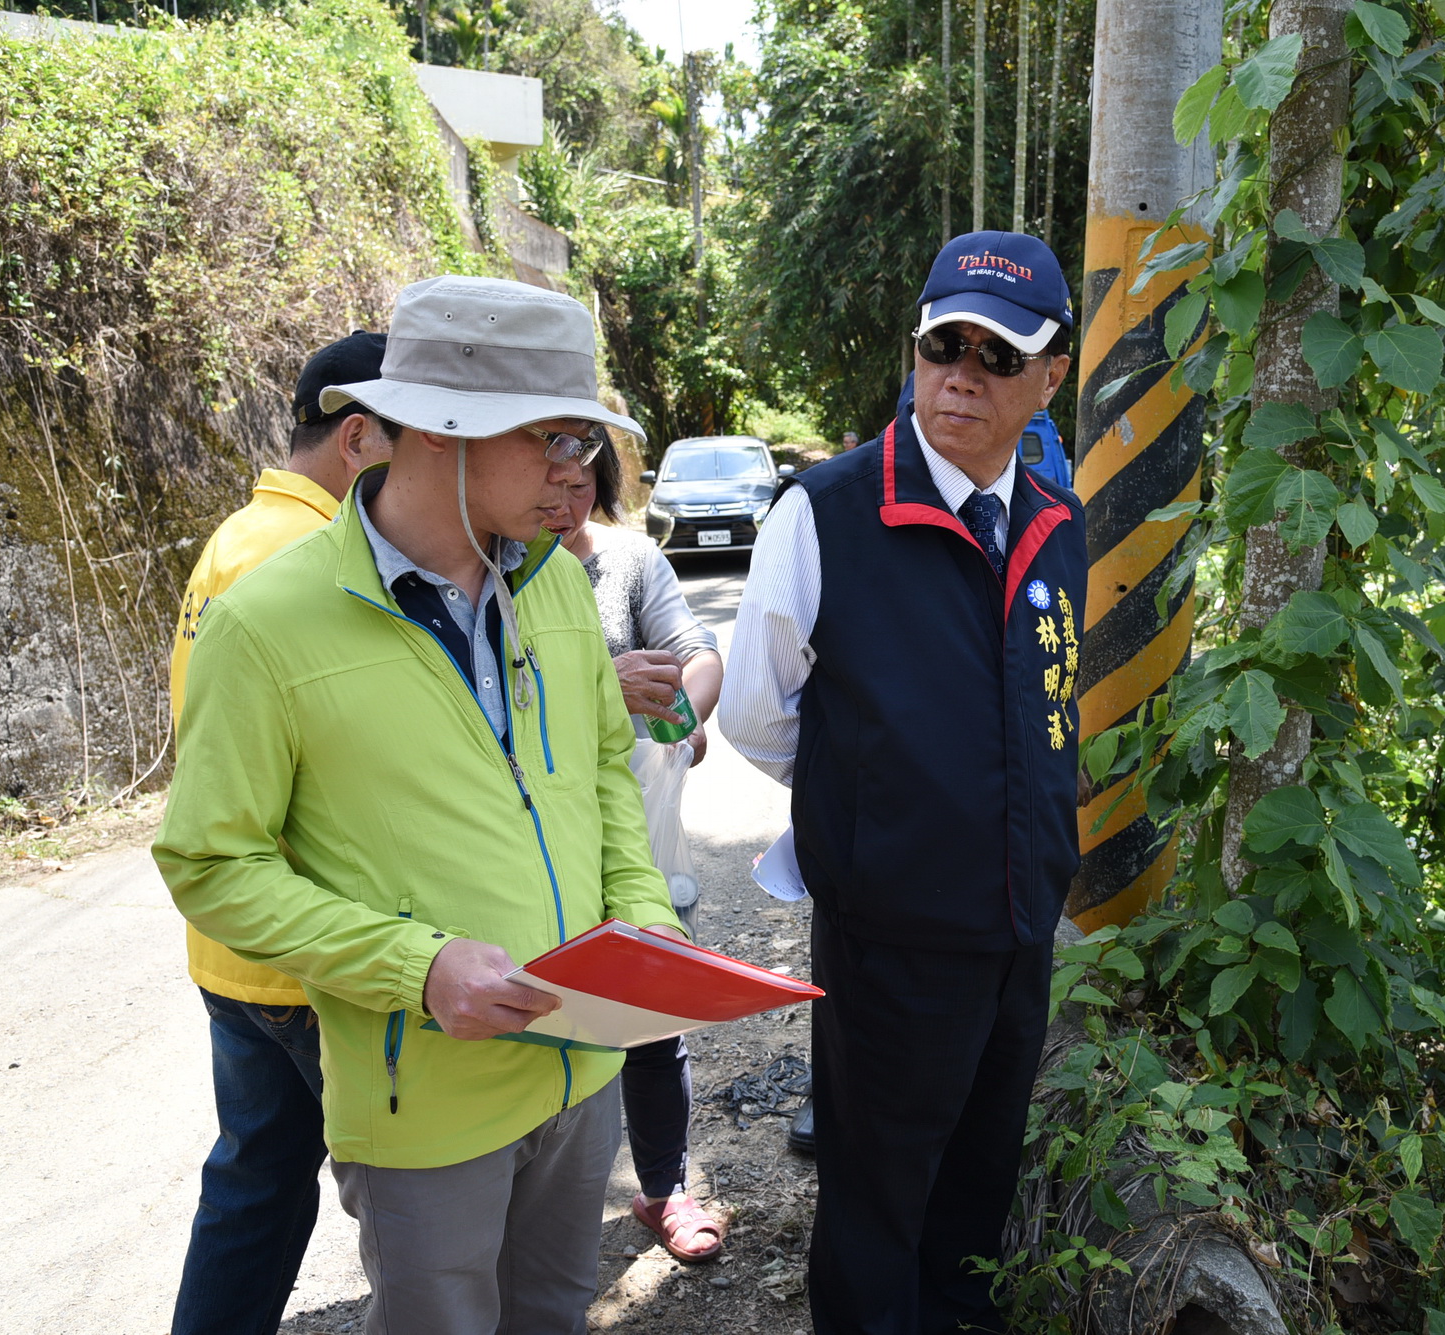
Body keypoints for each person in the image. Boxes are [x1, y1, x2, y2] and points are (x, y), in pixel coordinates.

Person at [155, 276, 685, 1335]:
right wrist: (417, 967)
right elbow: (209, 864)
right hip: (423, 1100)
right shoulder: (265, 625)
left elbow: (599, 777)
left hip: (581, 1074)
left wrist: (647, 934)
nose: (575, 473)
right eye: (553, 439)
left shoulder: (550, 587)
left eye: (582, 441)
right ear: (440, 432)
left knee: (552, 1311)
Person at [719, 230, 1084, 1335]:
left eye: (995, 354)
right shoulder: (827, 512)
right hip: (892, 945)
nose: (960, 375)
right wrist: (873, 809)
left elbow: (1052, 714)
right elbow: (753, 711)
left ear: (1050, 377)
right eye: (941, 345)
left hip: (1018, 936)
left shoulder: (1055, 526)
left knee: (976, 1196)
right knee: (878, 1207)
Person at [167, 331, 400, 1335]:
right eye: (423, 440)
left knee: (255, 1185)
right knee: (403, 1197)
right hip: (308, 955)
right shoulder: (307, 556)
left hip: (239, 953)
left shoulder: (238, 535)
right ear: (357, 438)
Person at [544, 442, 729, 1263]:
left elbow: (698, 653)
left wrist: (677, 719)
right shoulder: (491, 571)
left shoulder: (629, 560)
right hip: (542, 841)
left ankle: (664, 1189)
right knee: (548, 1028)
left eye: (583, 483)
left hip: (637, 835)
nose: (565, 501)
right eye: (552, 481)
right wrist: (595, 692)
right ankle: (544, 1218)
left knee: (653, 1019)